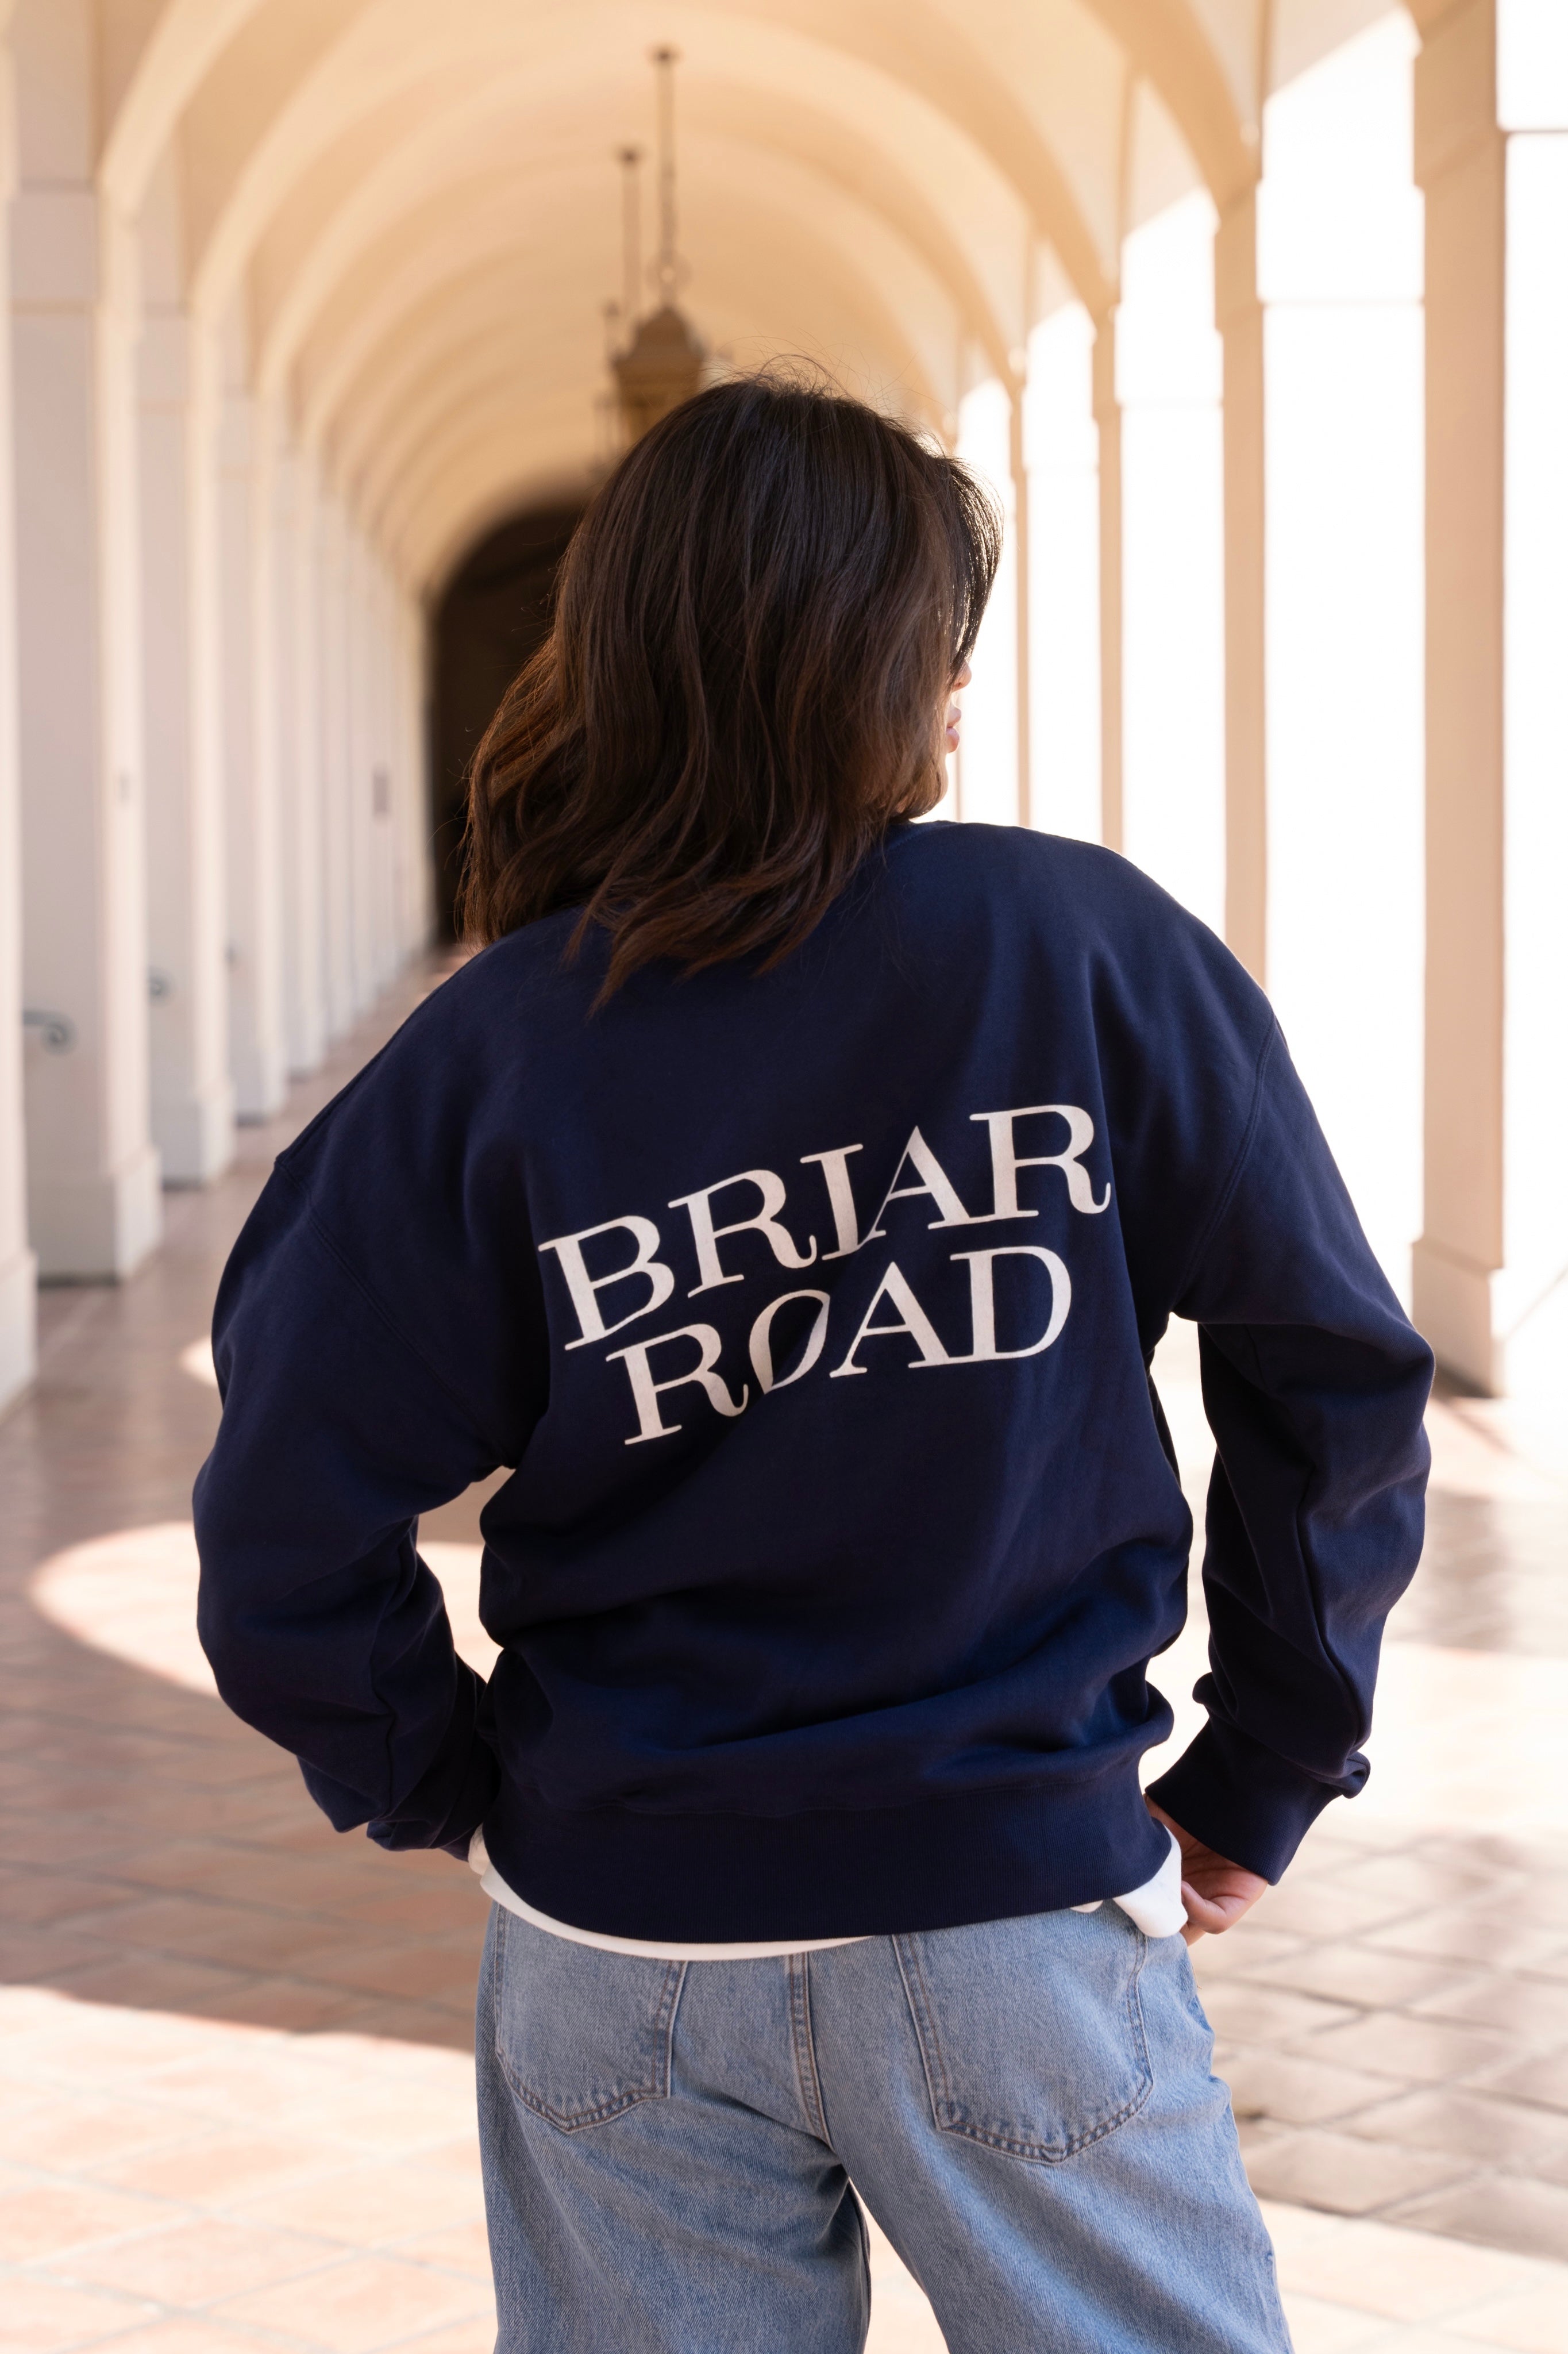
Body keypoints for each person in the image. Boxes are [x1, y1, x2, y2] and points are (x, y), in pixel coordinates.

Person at [194, 376, 1432, 2354]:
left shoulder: (489, 1054)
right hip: (1008, 1907)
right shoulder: (1078, 948)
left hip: (621, 1938)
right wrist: (1268, 1758)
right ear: (882, 668)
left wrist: (460, 1781)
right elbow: (1335, 1374)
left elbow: (281, 1525)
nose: (958, 700)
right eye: (944, 652)